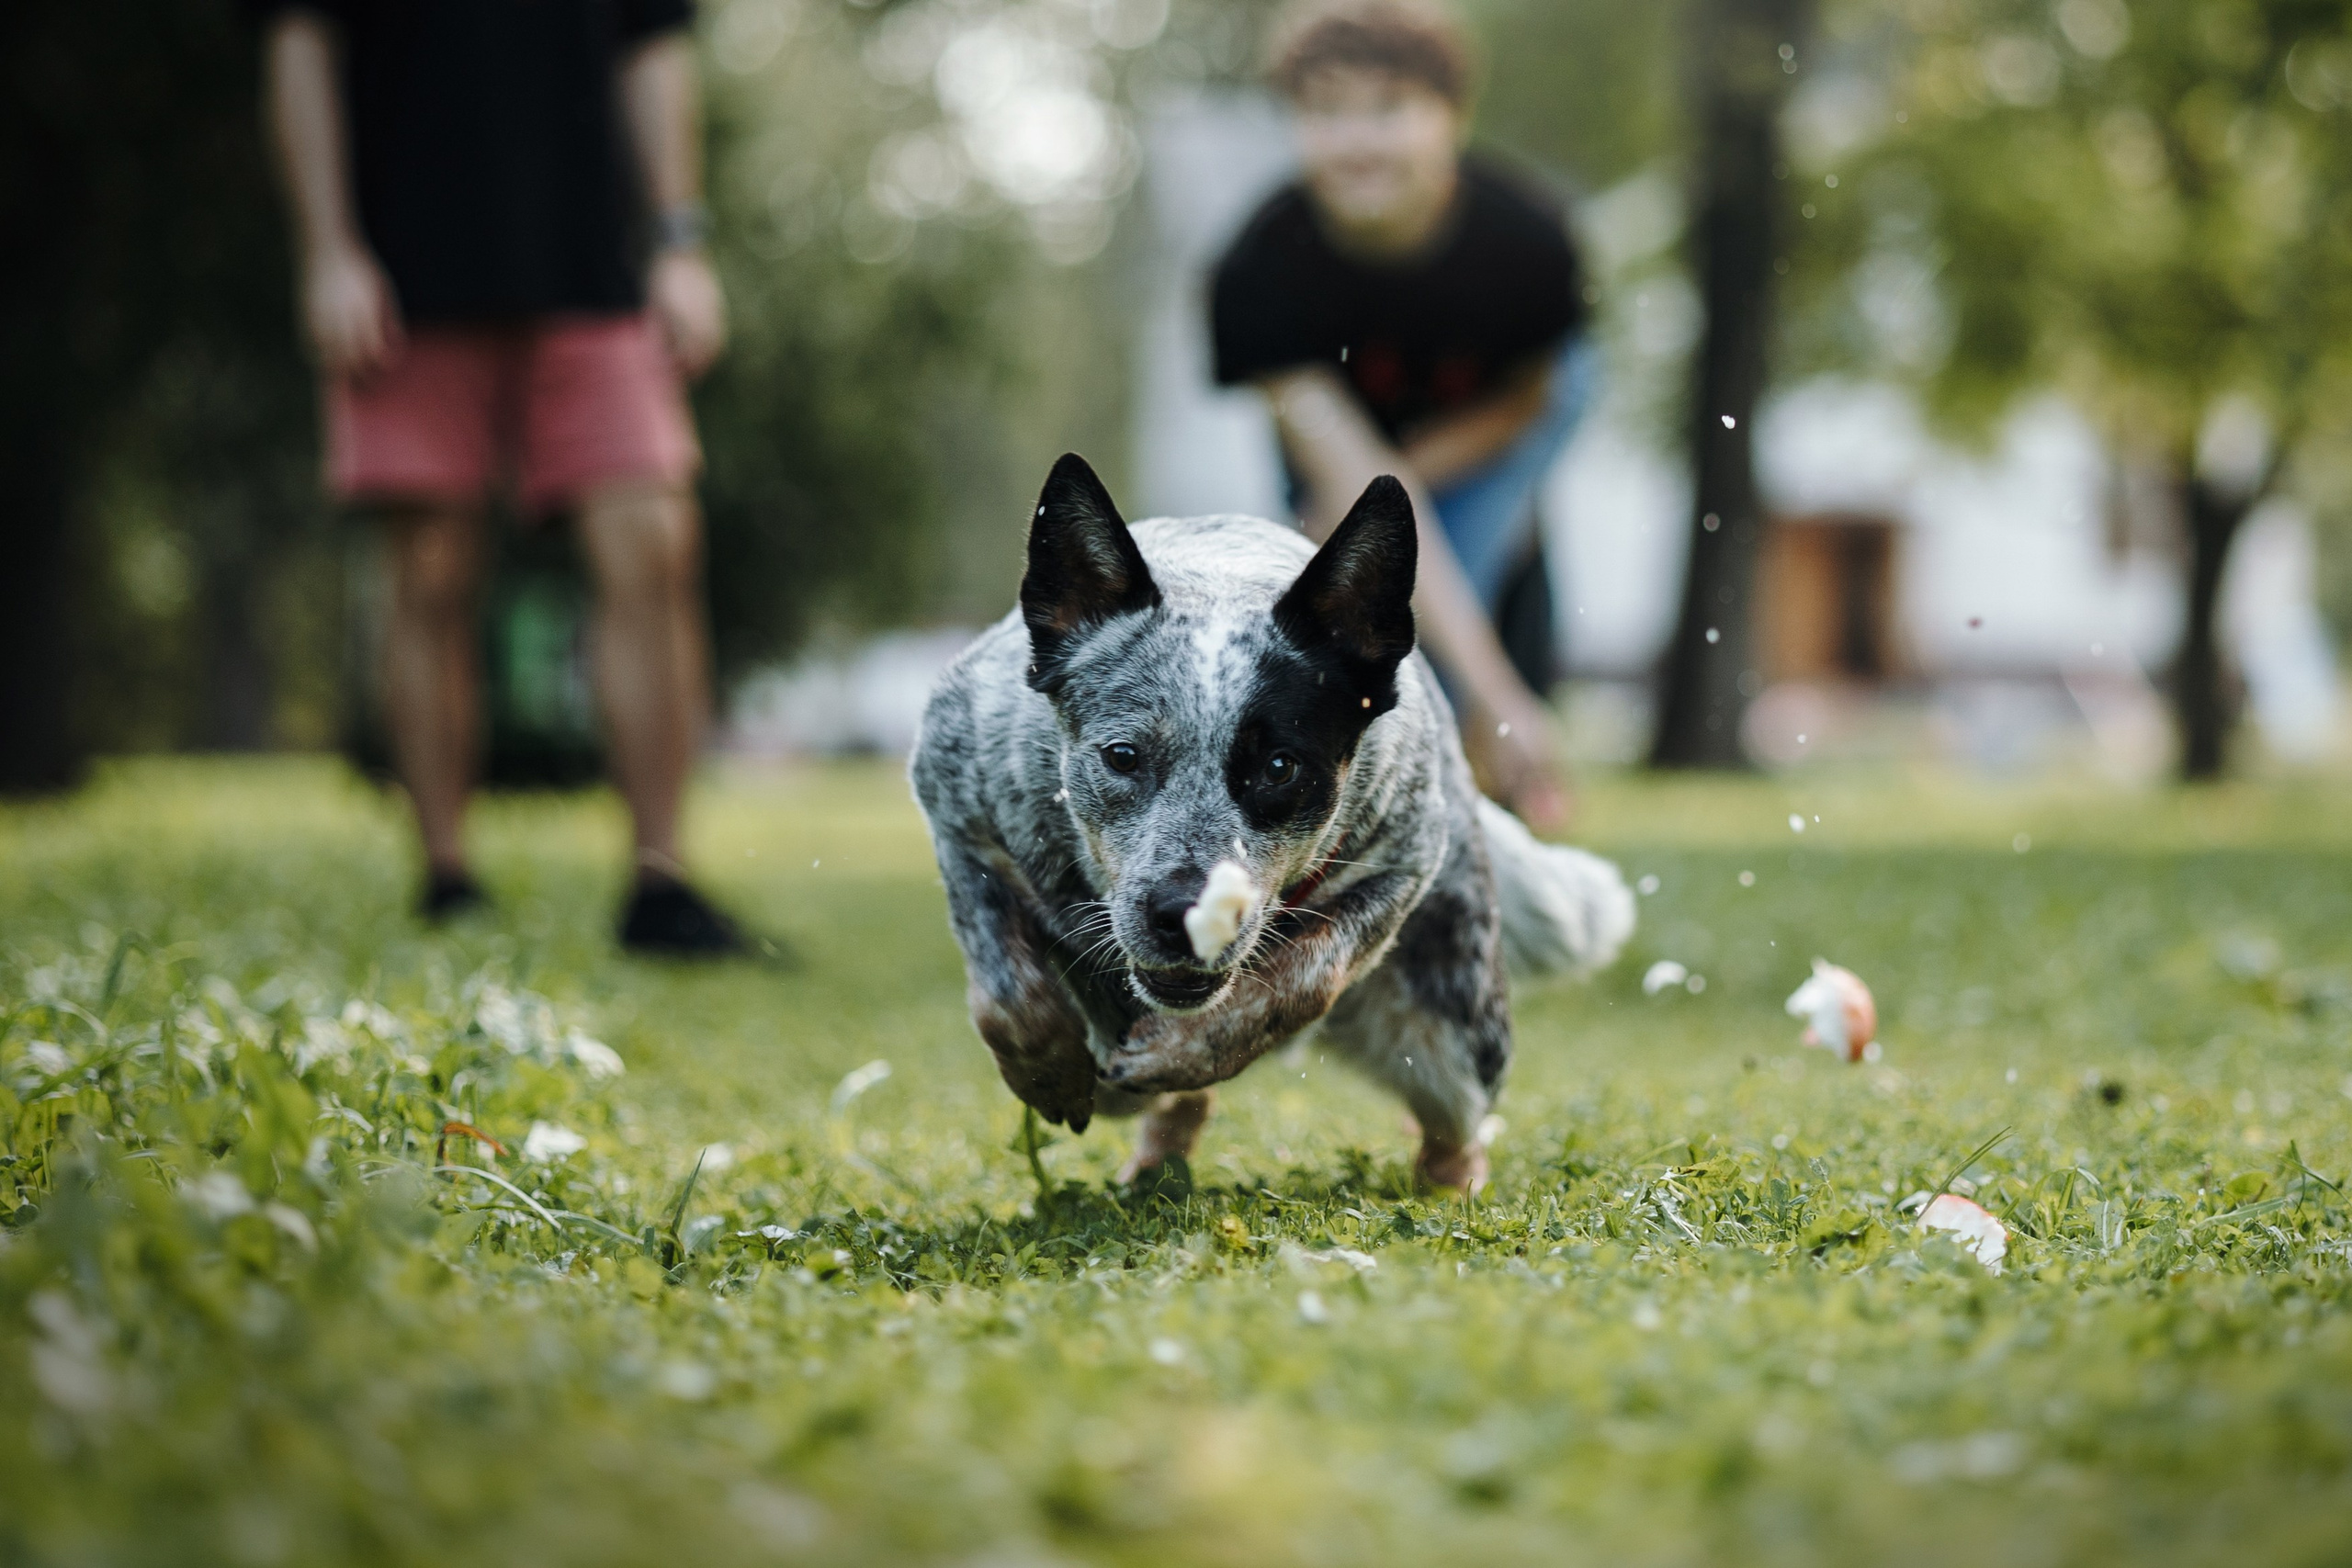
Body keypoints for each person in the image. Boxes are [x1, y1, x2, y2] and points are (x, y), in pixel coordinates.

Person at [254, 0, 748, 953]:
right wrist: (326, 249)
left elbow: (651, 42)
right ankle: (446, 878)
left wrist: (681, 245)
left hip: (593, 273)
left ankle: (661, 885)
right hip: (406, 269)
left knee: (653, 543)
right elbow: (300, 37)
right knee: (428, 575)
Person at [1211, 0, 1599, 831]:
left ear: (1449, 116)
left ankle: (1504, 769)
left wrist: (1495, 694)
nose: (1357, 142)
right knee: (1356, 601)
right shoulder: (1258, 274)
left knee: (1453, 575)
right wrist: (1366, 501)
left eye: (1387, 110)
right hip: (1349, 439)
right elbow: (1356, 473)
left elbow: (1526, 403)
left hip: (1508, 410)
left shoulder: (1531, 246)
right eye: (1326, 111)